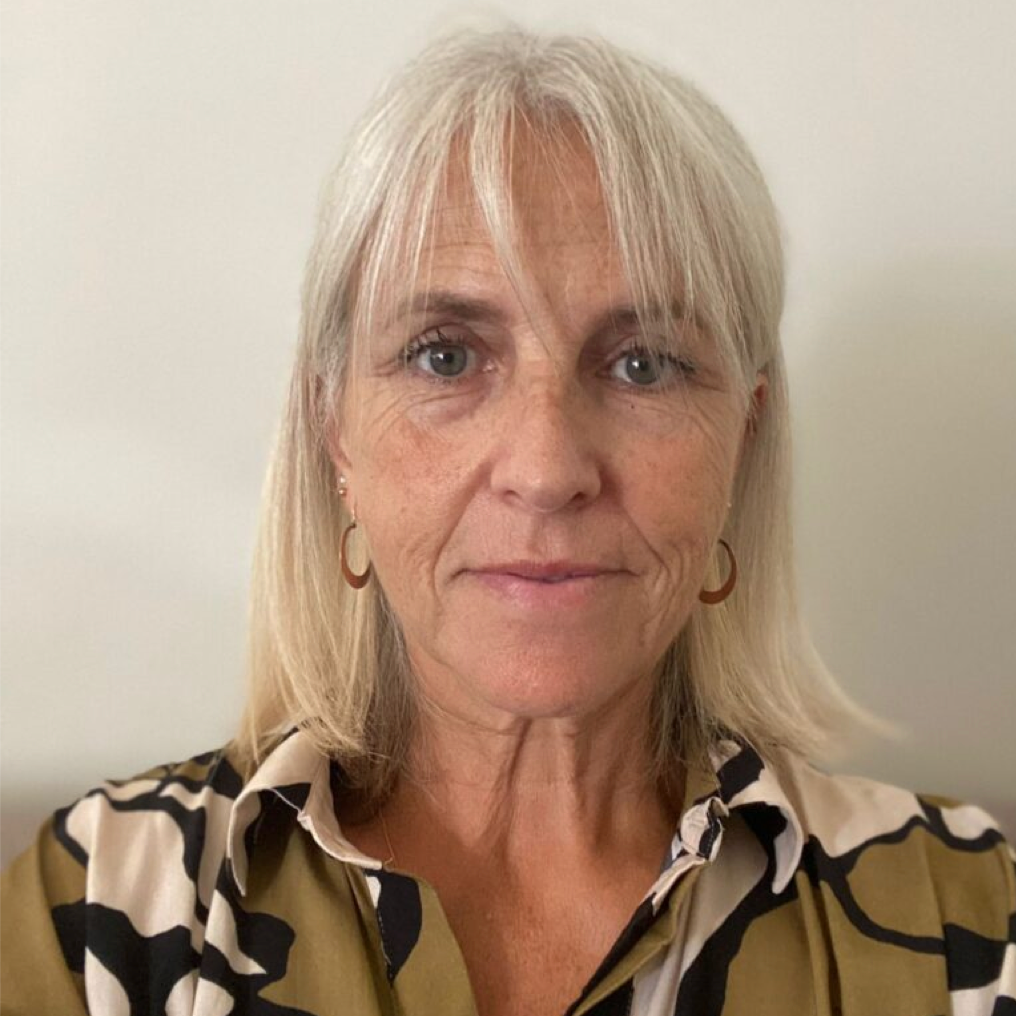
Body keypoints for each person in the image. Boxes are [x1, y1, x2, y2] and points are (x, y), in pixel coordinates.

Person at [1, 25, 1012, 1016]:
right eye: (445, 355)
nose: (545, 469)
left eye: (642, 364)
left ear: (739, 442)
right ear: (334, 430)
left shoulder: (965, 924)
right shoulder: (100, 915)